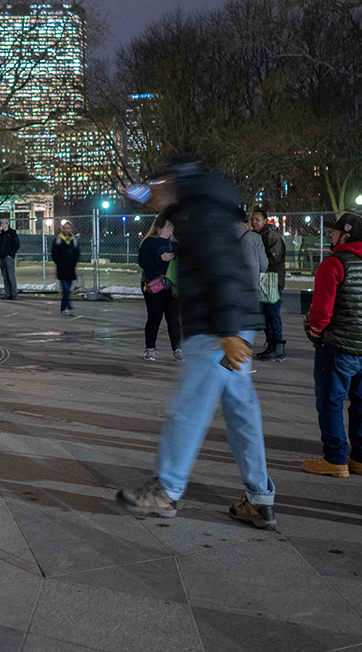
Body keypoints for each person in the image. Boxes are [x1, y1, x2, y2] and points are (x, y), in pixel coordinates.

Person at [117, 156, 275, 531]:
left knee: (189, 409)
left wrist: (230, 330)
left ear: (172, 182)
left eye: (155, 187)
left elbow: (222, 269)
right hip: (228, 325)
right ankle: (260, 498)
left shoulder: (199, 213)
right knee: (241, 414)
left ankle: (166, 490)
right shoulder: (205, 207)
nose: (151, 196)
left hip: (216, 328)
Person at [301, 212, 362, 478]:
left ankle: (335, 459)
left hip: (338, 344)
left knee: (331, 402)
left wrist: (315, 334)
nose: (331, 235)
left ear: (346, 236)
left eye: (335, 232)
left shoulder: (335, 263)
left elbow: (322, 309)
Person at [137, 217, 182, 361]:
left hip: (171, 286)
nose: (172, 229)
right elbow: (143, 262)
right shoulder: (150, 242)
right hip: (154, 285)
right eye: (169, 226)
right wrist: (160, 258)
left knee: (173, 318)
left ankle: (177, 349)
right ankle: (150, 348)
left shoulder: (174, 243)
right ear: (160, 227)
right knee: (154, 317)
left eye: (172, 226)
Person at [251, 208, 288, 361]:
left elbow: (274, 258)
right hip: (265, 278)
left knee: (272, 312)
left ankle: (278, 346)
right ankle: (272, 345)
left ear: (265, 221)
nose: (254, 222)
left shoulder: (271, 236)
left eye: (257, 219)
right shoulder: (258, 235)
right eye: (252, 219)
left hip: (272, 278)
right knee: (267, 313)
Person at [50, 221, 80, 315]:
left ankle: (67, 304)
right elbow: (54, 253)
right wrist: (58, 263)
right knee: (66, 289)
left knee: (67, 289)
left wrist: (74, 262)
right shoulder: (58, 239)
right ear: (62, 229)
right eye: (65, 228)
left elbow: (77, 253)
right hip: (62, 268)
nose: (67, 230)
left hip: (70, 268)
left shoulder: (74, 240)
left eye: (69, 228)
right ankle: (64, 307)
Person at [0, 219, 19, 300]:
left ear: (7, 224)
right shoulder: (1, 234)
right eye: (1, 223)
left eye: (3, 223)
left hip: (8, 257)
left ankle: (14, 294)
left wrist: (11, 254)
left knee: (11, 276)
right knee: (5, 276)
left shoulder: (12, 233)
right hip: (2, 257)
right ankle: (8, 293)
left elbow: (16, 245)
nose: (2, 225)